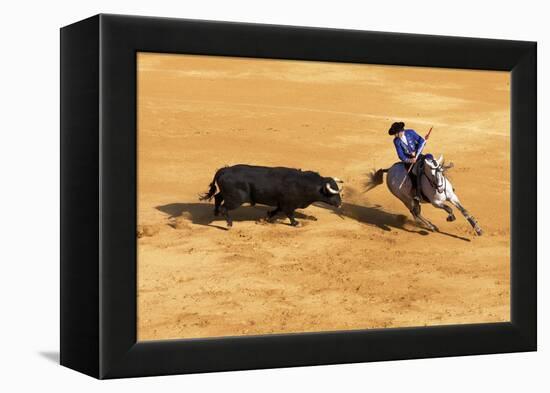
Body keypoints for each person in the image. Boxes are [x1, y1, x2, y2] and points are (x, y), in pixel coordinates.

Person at [388, 121, 431, 202]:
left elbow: (421, 141)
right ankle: (417, 193)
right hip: (409, 161)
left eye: (396, 134)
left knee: (430, 158)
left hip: (418, 156)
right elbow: (401, 155)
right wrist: (410, 160)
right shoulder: (396, 141)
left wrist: (417, 151)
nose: (395, 136)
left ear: (400, 132)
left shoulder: (410, 132)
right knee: (414, 173)